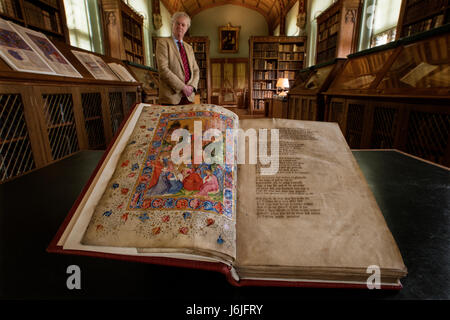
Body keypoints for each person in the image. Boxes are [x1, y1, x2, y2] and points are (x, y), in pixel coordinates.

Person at [156, 12, 199, 105]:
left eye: (183, 25)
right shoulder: (163, 43)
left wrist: (191, 87)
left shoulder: (189, 47)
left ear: (187, 28)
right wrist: (182, 87)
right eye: (177, 23)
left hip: (188, 97)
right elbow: (163, 69)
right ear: (172, 25)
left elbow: (196, 70)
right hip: (171, 97)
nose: (180, 27)